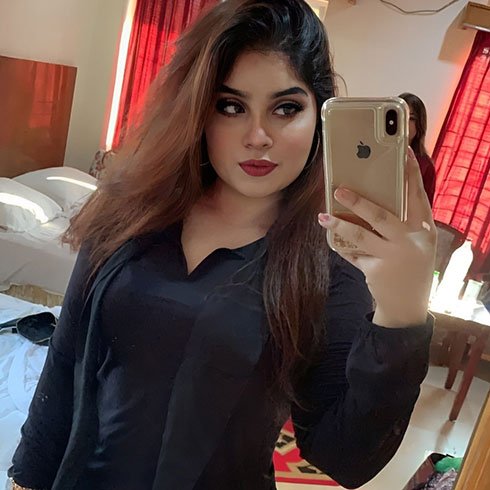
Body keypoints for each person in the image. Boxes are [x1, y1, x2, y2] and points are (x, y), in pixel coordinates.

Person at [8, 1, 436, 489]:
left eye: (286, 108)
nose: (258, 137)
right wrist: (25, 481)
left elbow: (346, 457)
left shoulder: (328, 267)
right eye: (231, 106)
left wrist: (403, 312)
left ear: (319, 117)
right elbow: (65, 363)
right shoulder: (129, 214)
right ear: (198, 111)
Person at [399, 92, 437, 207]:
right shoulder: (374, 153)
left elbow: (426, 210)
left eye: (411, 118)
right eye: (400, 115)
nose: (404, 122)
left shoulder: (426, 166)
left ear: (419, 125)